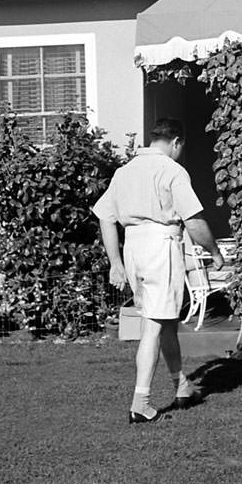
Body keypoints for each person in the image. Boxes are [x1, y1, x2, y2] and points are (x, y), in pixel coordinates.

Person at [93, 117, 224, 424]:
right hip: (160, 245)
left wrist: (116, 262)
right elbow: (193, 220)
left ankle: (182, 387)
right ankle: (141, 402)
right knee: (153, 324)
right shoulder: (171, 170)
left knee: (166, 322)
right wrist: (215, 252)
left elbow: (104, 217)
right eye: (181, 147)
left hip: (133, 247)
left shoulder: (123, 172)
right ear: (176, 142)